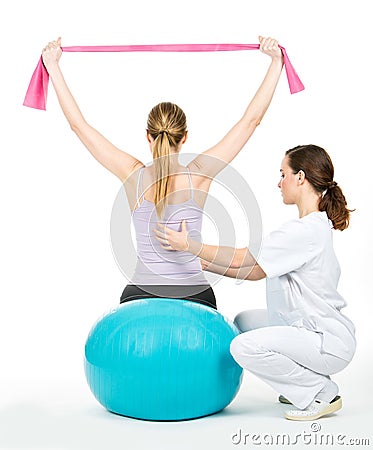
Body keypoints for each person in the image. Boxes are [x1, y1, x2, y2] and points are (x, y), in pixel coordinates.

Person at [41, 36, 284, 310]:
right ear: (185, 137)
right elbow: (251, 121)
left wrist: (53, 66)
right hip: (194, 295)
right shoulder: (200, 174)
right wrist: (276, 63)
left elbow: (79, 127)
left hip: (140, 295)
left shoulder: (132, 174)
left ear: (148, 136)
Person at [154, 144, 356, 420]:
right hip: (313, 330)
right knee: (245, 321)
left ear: (300, 177)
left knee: (242, 346)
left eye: (283, 174)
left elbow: (241, 258)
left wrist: (191, 245)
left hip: (325, 341)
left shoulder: (304, 231)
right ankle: (301, 381)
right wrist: (209, 264)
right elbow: (258, 270)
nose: (279, 182)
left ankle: (318, 391)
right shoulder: (311, 228)